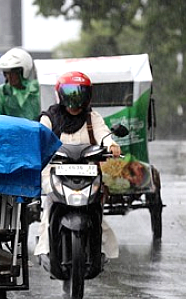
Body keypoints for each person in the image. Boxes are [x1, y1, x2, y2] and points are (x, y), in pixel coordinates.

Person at [34, 71, 122, 262]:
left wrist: (112, 145)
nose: (75, 100)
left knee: (95, 206)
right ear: (61, 95)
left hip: (87, 170)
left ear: (87, 96)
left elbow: (104, 134)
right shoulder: (50, 118)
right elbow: (40, 137)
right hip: (55, 170)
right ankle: (46, 249)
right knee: (50, 204)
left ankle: (101, 251)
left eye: (80, 94)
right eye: (71, 94)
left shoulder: (92, 118)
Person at [0, 47, 41, 121]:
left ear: (23, 72)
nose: (9, 77)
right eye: (6, 73)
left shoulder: (38, 92)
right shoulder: (0, 93)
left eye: (13, 73)